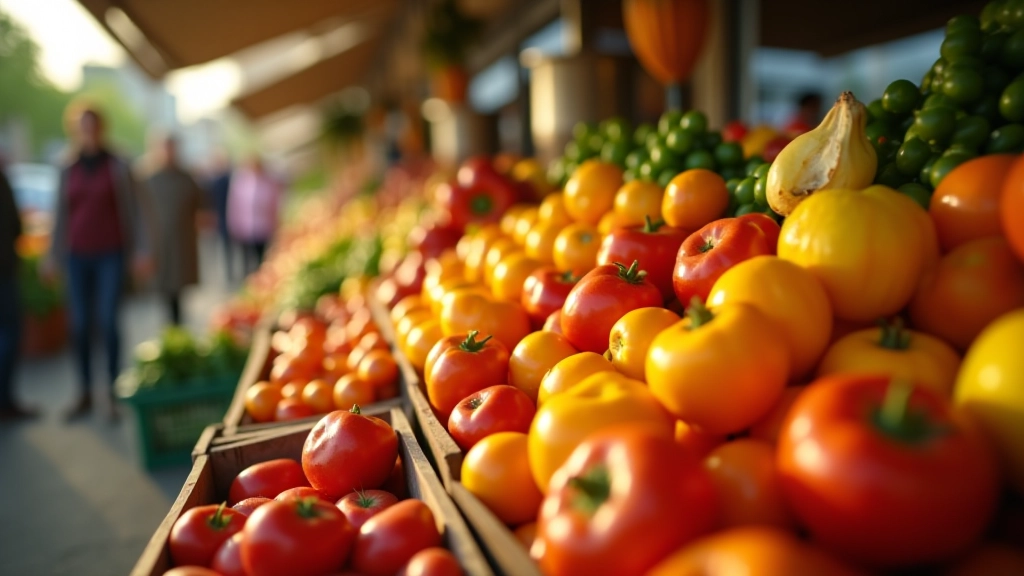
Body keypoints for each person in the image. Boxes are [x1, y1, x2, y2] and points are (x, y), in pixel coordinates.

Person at [46, 106, 152, 421]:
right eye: (83, 126)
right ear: (75, 129)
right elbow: (59, 213)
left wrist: (142, 250)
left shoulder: (118, 164)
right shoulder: (67, 166)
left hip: (111, 253)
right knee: (79, 325)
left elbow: (138, 209)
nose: (88, 131)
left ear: (101, 128)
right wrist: (51, 255)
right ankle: (84, 392)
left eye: (93, 125)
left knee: (107, 321)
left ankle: (112, 393)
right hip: (77, 255)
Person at [143, 135, 205, 325]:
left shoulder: (186, 178)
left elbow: (200, 206)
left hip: (182, 241)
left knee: (179, 286)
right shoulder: (148, 179)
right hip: (159, 243)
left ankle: (177, 324)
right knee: (164, 288)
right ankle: (170, 325)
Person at [0, 163, 36, 421]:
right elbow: (14, 223)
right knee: (9, 334)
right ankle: (5, 401)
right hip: (4, 270)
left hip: (6, 268)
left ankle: (6, 401)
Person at [227, 155, 282, 275]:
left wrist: (276, 223)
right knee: (246, 258)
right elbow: (235, 205)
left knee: (261, 257)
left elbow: (275, 204)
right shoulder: (241, 182)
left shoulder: (269, 183)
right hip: (245, 226)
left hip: (263, 226)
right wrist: (234, 224)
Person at [206, 151, 234, 282]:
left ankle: (231, 273)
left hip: (231, 216)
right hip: (221, 217)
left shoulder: (230, 180)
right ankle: (228, 274)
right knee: (225, 246)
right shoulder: (215, 181)